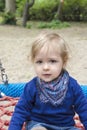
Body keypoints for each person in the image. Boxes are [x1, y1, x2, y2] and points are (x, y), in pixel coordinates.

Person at [8, 32, 87, 130]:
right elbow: (21, 110)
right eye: (39, 62)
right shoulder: (32, 86)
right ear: (33, 62)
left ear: (64, 61)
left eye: (52, 61)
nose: (45, 67)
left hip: (66, 127)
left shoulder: (72, 85)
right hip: (39, 124)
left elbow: (84, 109)